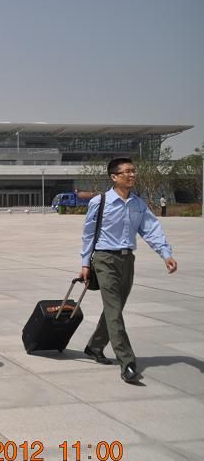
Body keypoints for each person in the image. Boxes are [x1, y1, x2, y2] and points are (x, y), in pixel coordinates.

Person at [80, 158, 178, 384]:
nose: (132, 175)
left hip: (127, 260)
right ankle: (127, 363)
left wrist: (166, 254)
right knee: (114, 311)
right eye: (127, 172)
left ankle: (94, 346)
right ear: (114, 177)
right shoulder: (100, 202)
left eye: (133, 171)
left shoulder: (138, 204)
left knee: (114, 308)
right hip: (104, 260)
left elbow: (151, 229)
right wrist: (85, 264)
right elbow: (88, 234)